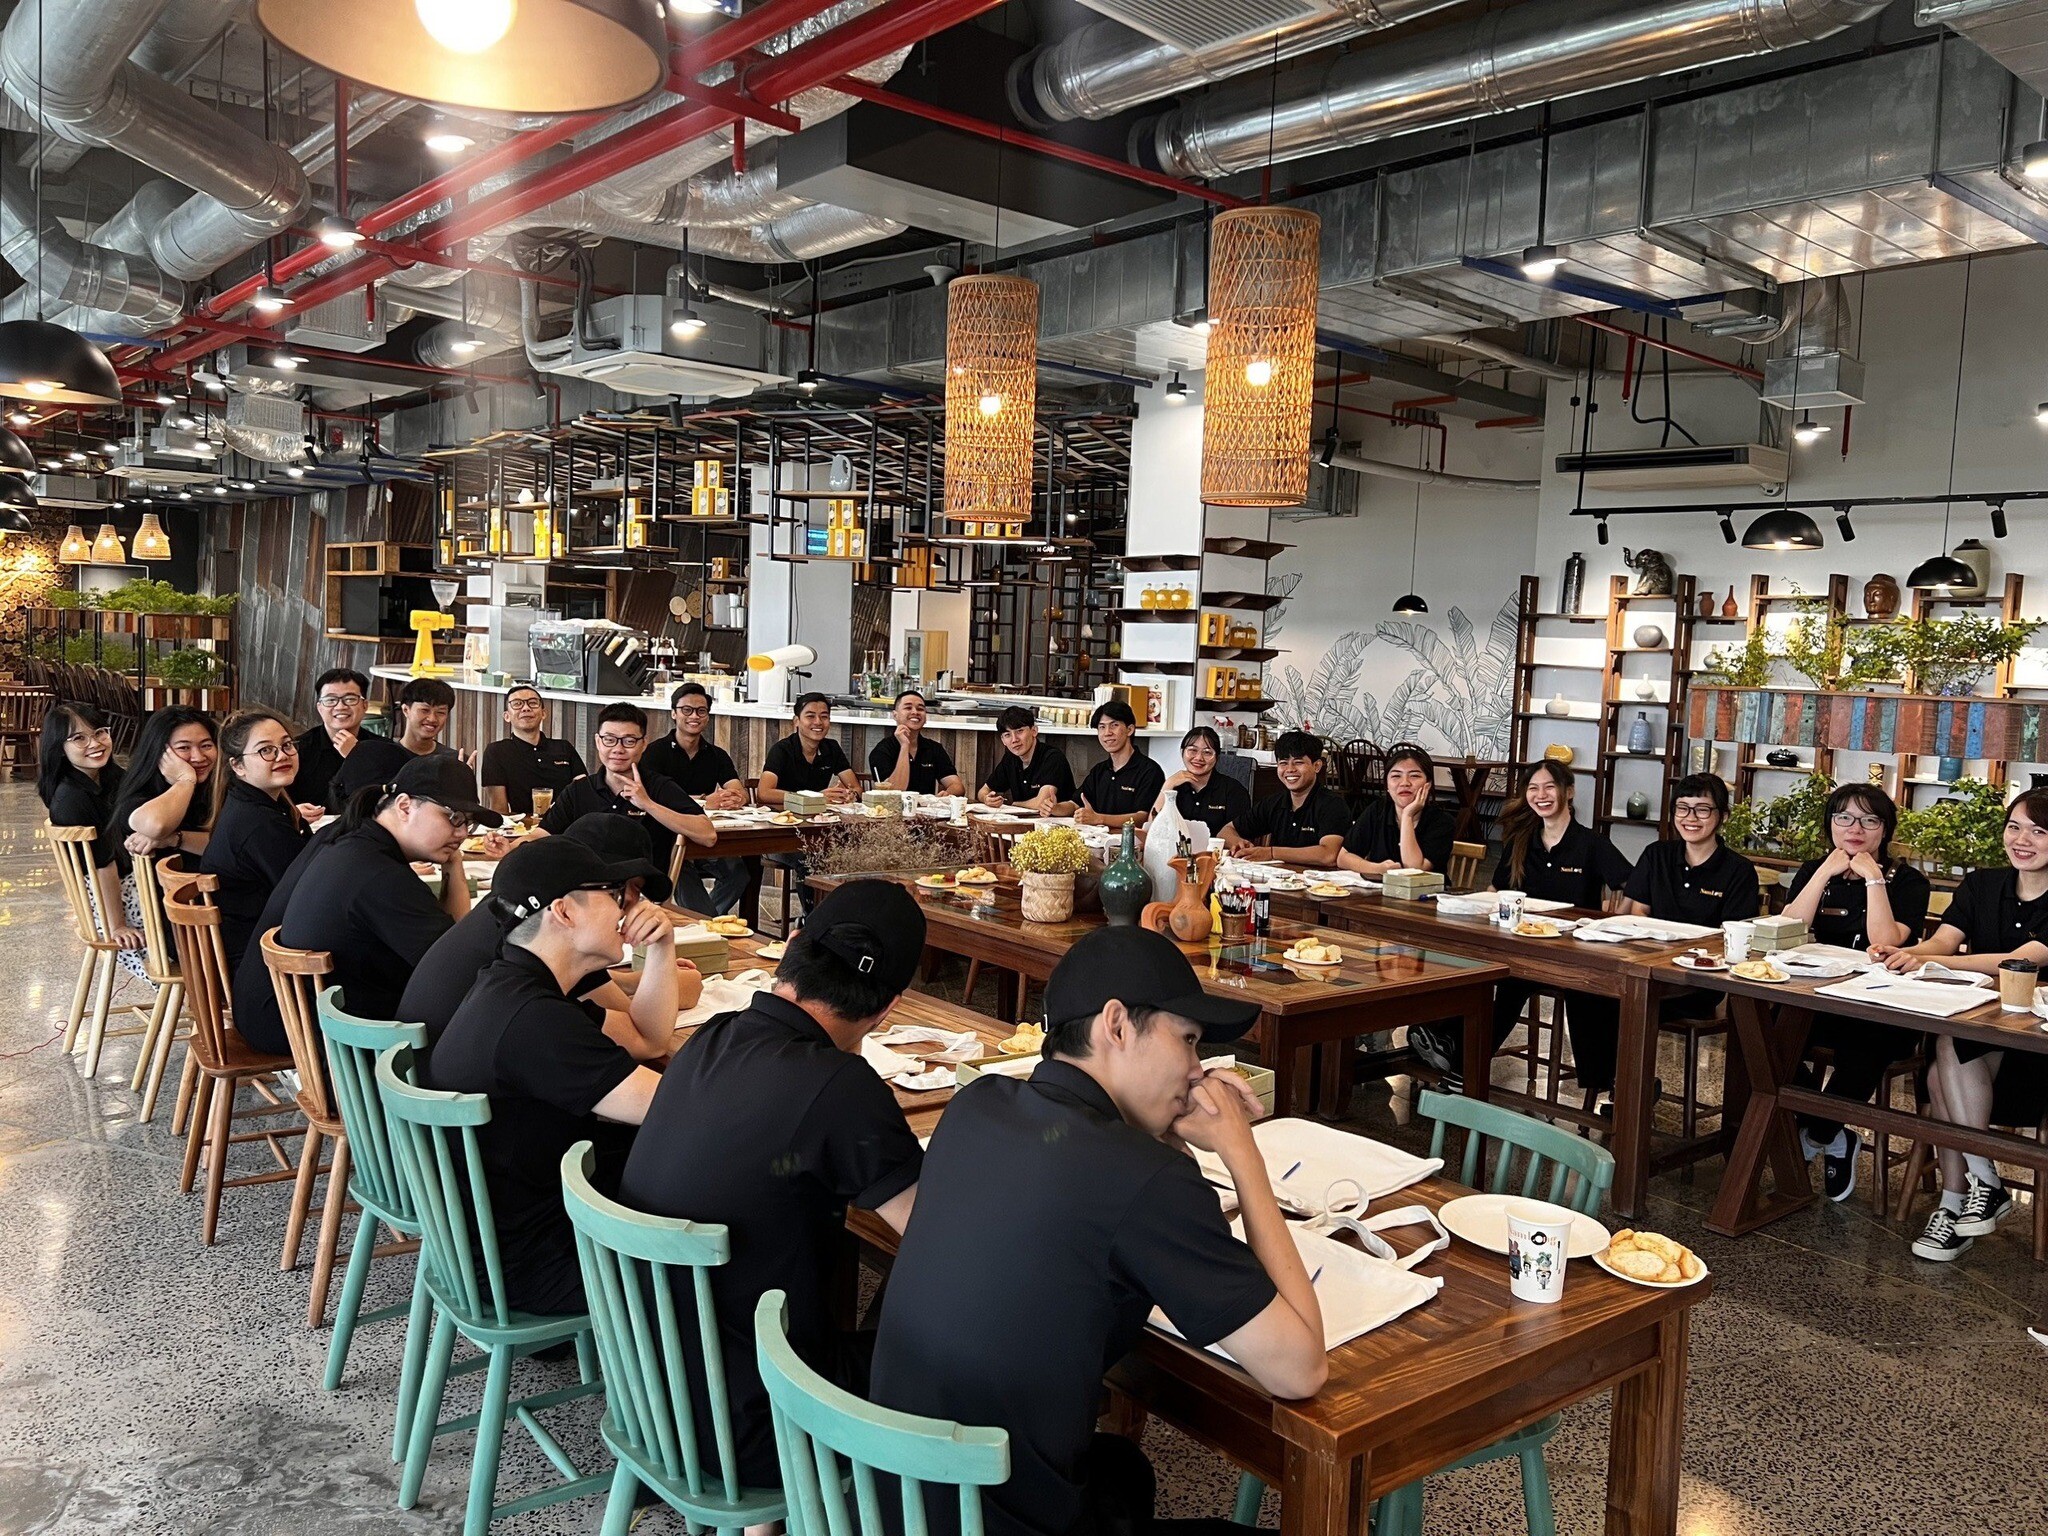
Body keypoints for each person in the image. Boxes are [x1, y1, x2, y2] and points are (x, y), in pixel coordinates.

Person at [870, 927, 1327, 1536]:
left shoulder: (976, 1104)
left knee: (1123, 1471)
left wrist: (1157, 1138)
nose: (1198, 1072)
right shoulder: (1143, 1177)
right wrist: (1243, 1157)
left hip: (896, 1499)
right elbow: (1299, 1371)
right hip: (997, 1518)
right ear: (1117, 1025)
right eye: (1189, 1041)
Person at [616, 880, 929, 1489]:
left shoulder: (710, 1037)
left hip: (651, 1391)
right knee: (971, 1329)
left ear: (791, 947)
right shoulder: (841, 1086)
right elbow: (937, 1238)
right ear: (889, 1007)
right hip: (760, 1419)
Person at [426, 838, 671, 1314]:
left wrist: (661, 948)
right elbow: (676, 1110)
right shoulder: (534, 1020)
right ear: (564, 911)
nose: (627, 907)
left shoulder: (513, 983)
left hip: (505, 1232)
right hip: (531, 1263)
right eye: (614, 894)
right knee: (734, 1231)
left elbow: (648, 1040)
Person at [1873, 788, 2048, 1262]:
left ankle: (1961, 1199)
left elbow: (2021, 961)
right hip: (1977, 1044)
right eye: (2014, 827)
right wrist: (1906, 954)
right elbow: (1944, 941)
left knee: (1943, 1064)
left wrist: (1940, 964)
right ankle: (1975, 1187)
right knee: (1946, 1051)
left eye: (2038, 831)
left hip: (2034, 1055)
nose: (2022, 840)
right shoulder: (1982, 884)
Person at [230, 754, 495, 1057]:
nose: (462, 833)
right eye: (454, 818)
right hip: (300, 1028)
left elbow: (449, 943)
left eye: (469, 823)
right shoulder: (380, 876)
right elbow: (458, 964)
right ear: (405, 806)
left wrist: (453, 863)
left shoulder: (347, 834)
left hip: (269, 1005)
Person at [1407, 760, 1632, 1089]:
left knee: (1514, 984)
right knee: (1475, 969)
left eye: (1549, 787)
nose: (1541, 795)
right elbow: (1495, 890)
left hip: (1571, 955)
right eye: (1533, 788)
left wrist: (1614, 917)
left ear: (1569, 792)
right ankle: (1451, 1050)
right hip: (1519, 945)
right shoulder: (1521, 841)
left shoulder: (1591, 844)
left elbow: (1632, 885)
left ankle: (1455, 1054)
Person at [400, 813, 700, 1051]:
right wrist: (667, 966)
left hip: (421, 1072)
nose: (632, 903)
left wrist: (638, 979)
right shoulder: (552, 940)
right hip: (454, 1096)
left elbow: (604, 994)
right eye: (621, 889)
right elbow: (646, 1038)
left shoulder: (518, 906)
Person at [1778, 784, 1930, 1202]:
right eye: (1843, 817)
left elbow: (1885, 942)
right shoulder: (1815, 869)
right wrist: (1824, 872)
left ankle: (1818, 1132)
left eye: (1868, 820)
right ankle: (1831, 1130)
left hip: (1879, 1005)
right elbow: (1787, 928)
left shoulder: (1908, 881)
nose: (1854, 828)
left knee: (1871, 1041)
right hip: (1814, 998)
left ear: (1886, 828)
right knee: (1763, 1032)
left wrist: (1873, 878)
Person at [1596, 772, 1761, 1113]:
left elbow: (1731, 938)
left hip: (1698, 982)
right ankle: (1621, 1084)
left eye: (1702, 809)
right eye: (1682, 808)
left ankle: (1629, 1089)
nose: (1690, 818)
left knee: (1631, 1001)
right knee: (1596, 994)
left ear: (1723, 816)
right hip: (1650, 968)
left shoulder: (1738, 870)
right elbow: (1638, 914)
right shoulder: (1657, 855)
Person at [536, 702, 715, 881]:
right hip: (585, 889)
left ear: (643, 744)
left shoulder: (659, 787)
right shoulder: (579, 790)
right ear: (598, 741)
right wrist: (518, 846)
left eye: (629, 741)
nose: (618, 749)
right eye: (609, 740)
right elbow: (543, 833)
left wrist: (648, 804)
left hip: (641, 890)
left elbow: (708, 835)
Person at [199, 710, 316, 974]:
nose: (282, 755)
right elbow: (306, 892)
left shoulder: (252, 804)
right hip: (257, 965)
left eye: (287, 745)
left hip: (261, 947)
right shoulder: (258, 823)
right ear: (238, 766)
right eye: (266, 750)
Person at [111, 707, 219, 980]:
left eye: (206, 745)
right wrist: (185, 779)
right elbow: (156, 825)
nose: (198, 757)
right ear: (161, 754)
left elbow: (224, 844)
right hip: (184, 928)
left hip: (214, 908)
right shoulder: (141, 797)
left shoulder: (217, 790)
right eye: (184, 748)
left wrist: (173, 839)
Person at [36, 703, 141, 956]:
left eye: (100, 732)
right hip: (111, 901)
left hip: (128, 881)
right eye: (79, 738)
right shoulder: (70, 798)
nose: (95, 743)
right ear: (60, 749)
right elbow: (102, 865)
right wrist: (117, 926)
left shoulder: (109, 776)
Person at [641, 682, 752, 915]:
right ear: (674, 713)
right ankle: (706, 920)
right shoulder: (654, 752)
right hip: (667, 838)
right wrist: (703, 801)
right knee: (680, 865)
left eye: (701, 711)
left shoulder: (716, 755)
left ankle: (707, 920)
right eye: (687, 710)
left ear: (707, 716)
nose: (694, 716)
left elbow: (738, 789)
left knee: (738, 873)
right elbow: (649, 797)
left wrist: (737, 798)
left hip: (705, 837)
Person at [1220, 730, 1349, 866]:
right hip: (1278, 876)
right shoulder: (1274, 803)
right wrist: (1240, 844)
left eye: (1298, 762)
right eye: (1283, 763)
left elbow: (1329, 855)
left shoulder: (1332, 805)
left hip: (1320, 879)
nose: (1290, 769)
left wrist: (1271, 853)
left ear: (1317, 766)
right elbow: (1225, 832)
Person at [328, 676, 460, 805]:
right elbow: (354, 802)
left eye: (441, 712)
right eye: (424, 710)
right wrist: (359, 760)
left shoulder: (453, 760)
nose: (432, 718)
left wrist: (463, 782)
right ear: (406, 710)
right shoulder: (379, 754)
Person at [1337, 745, 1456, 878]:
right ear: (1387, 785)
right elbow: (1343, 858)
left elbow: (1414, 871)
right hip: (1381, 889)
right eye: (1396, 776)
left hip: (1425, 890)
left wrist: (1407, 815)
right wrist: (1378, 868)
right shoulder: (1377, 810)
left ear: (1428, 784)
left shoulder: (1442, 821)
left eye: (1414, 776)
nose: (1404, 783)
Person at [479, 683, 587, 818]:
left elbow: (583, 791)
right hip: (522, 825)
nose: (526, 708)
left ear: (543, 713)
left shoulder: (564, 747)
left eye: (533, 703)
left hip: (566, 823)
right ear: (507, 716)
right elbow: (499, 810)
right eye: (517, 704)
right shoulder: (497, 752)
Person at [757, 692, 859, 808]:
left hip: (819, 815)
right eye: (810, 716)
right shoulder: (782, 749)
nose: (818, 722)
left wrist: (850, 795)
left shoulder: (832, 747)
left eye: (824, 717)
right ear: (796, 721)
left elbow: (856, 788)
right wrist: (813, 798)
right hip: (784, 815)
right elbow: (763, 793)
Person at [294, 667, 375, 812]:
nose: (341, 706)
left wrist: (356, 756)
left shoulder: (382, 749)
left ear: (365, 705)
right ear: (319, 708)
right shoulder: (298, 750)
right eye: (330, 700)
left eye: (350, 699)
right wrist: (294, 812)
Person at [1075, 701, 1165, 828]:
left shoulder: (1150, 771)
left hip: (1133, 839)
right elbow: (1075, 803)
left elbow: (1143, 818)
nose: (1107, 733)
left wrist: (1099, 819)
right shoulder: (1099, 770)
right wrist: (1054, 807)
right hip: (1098, 837)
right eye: (1102, 727)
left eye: (1114, 725)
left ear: (1130, 729)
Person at [1156, 726, 1251, 838]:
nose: (1198, 758)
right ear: (1182, 752)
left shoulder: (1234, 791)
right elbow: (1154, 829)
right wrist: (1168, 785)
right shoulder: (1173, 786)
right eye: (1192, 750)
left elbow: (1240, 836)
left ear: (1217, 757)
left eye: (1207, 752)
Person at [978, 705, 1075, 814]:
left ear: (1034, 731)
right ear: (1003, 740)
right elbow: (983, 791)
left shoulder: (1053, 758)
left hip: (1058, 822)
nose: (1014, 739)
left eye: (1019, 731)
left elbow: (1041, 804)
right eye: (1007, 735)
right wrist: (987, 799)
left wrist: (1013, 804)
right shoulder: (1010, 758)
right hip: (1024, 820)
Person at [868, 689, 966, 797]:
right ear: (895, 715)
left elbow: (957, 786)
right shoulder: (882, 750)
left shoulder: (934, 748)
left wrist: (948, 793)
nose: (915, 712)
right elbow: (894, 791)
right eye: (908, 708)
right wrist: (905, 746)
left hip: (926, 807)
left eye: (920, 709)